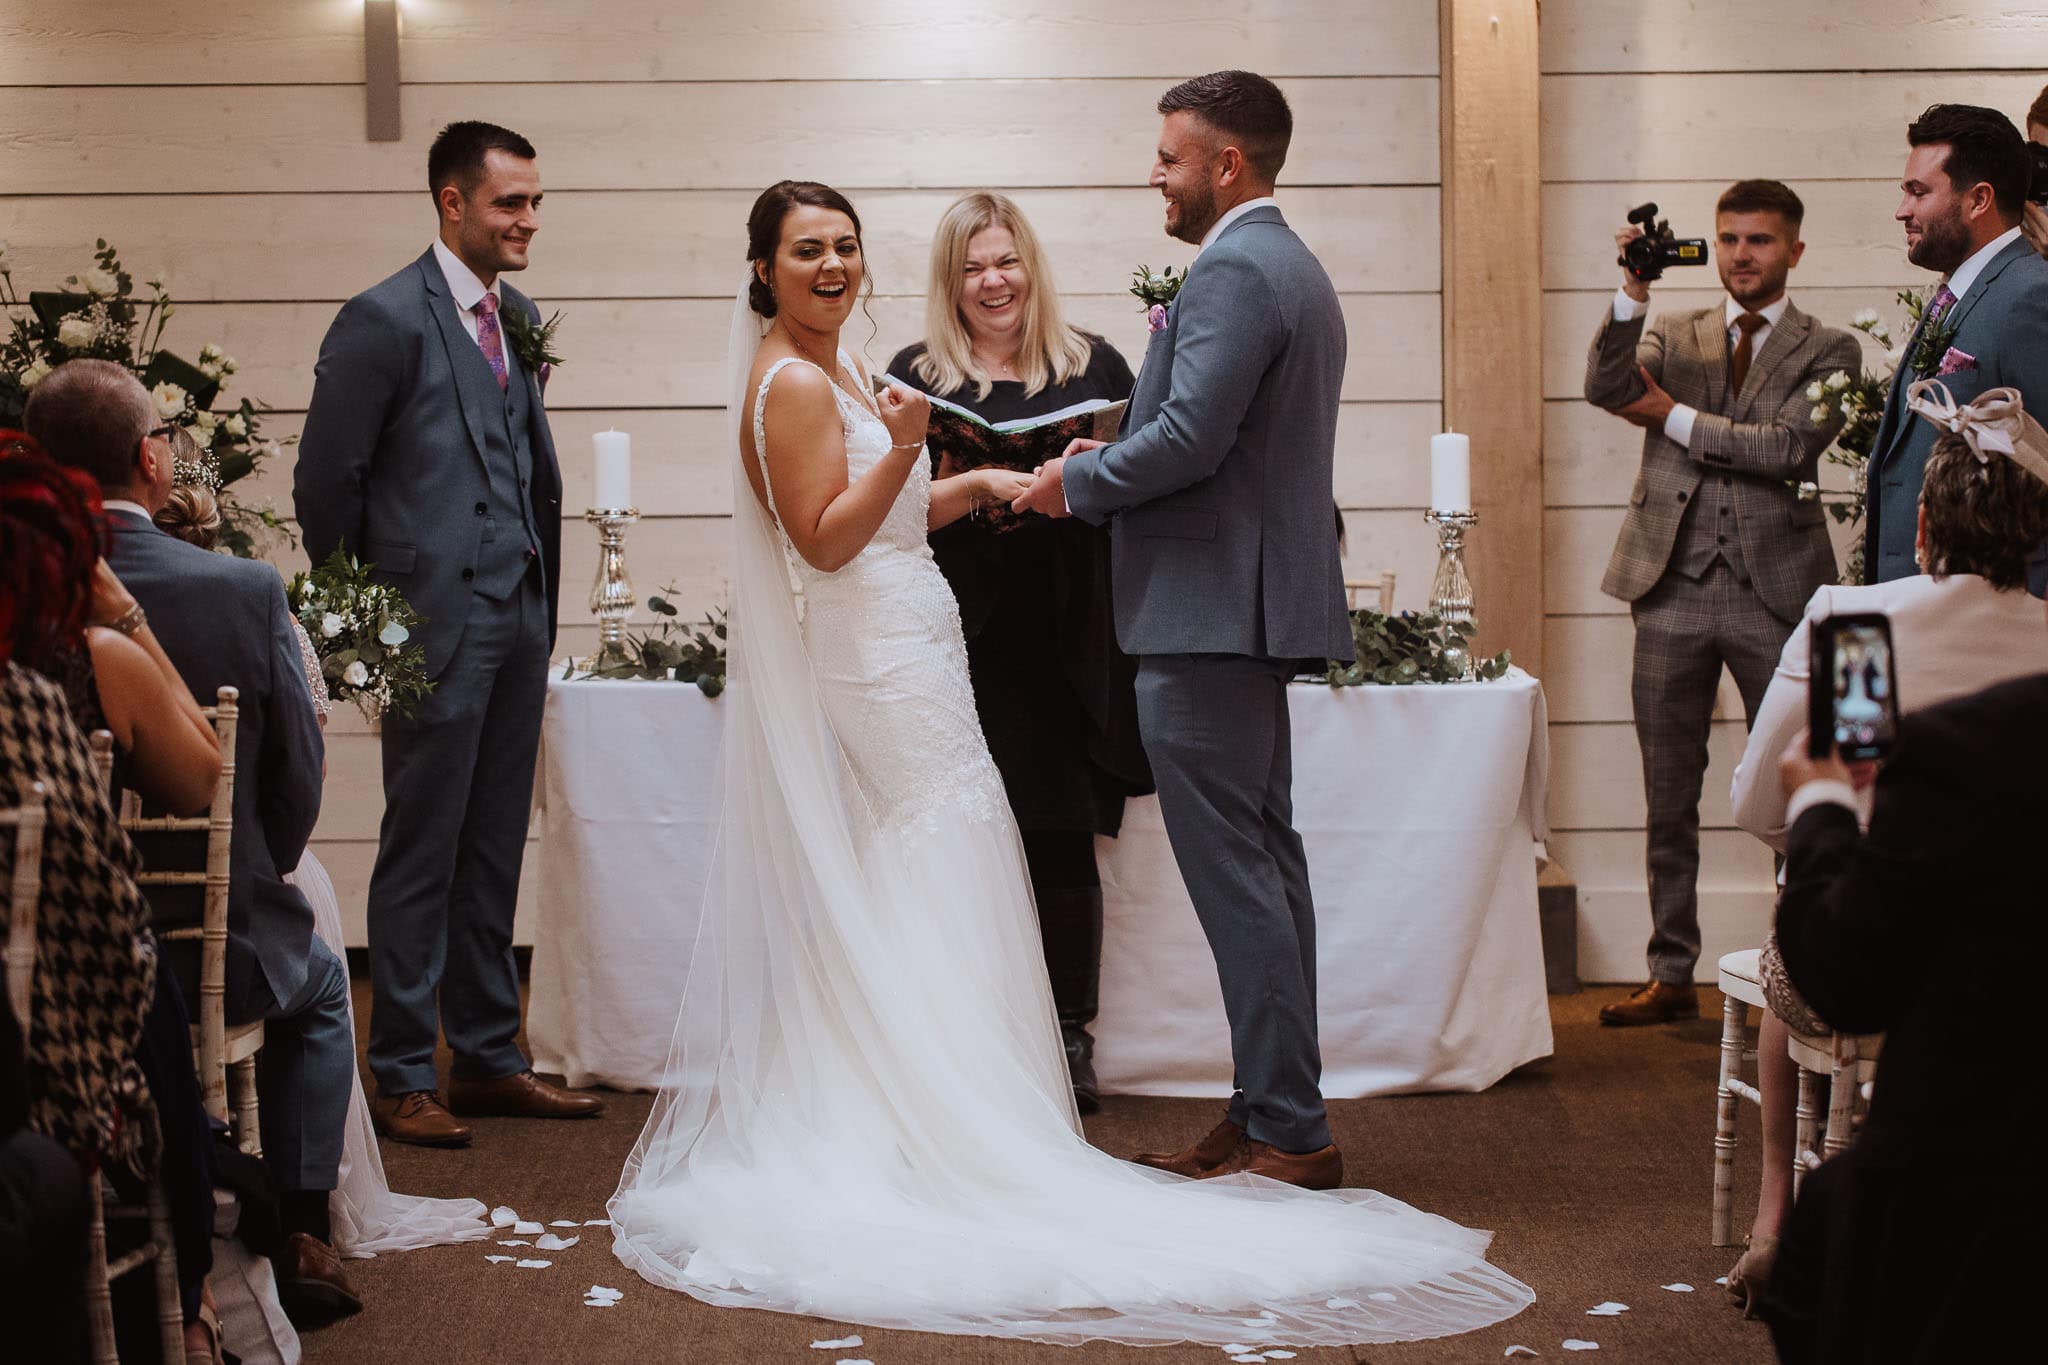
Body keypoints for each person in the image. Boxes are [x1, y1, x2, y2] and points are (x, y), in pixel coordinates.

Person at [608, 176, 1531, 1348]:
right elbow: (826, 540)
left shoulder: (842, 367)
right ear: (762, 271)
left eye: (844, 246)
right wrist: (903, 453)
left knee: (944, 854)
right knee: (933, 850)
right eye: (806, 252)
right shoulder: (794, 382)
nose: (833, 266)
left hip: (917, 640)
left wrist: (975, 480)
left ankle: (941, 1104)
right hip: (877, 654)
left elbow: (885, 516)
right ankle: (932, 1125)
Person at [1015, 70, 1356, 1185]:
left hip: (1209, 618)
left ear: (1225, 165)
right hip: (1242, 610)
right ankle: (1271, 1108)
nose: (1151, 174)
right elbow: (1219, 434)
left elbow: (1191, 445)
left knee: (1240, 878)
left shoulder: (1237, 270)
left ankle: (1288, 1131)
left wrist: (1081, 484)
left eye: (1168, 157)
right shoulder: (1284, 263)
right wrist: (1103, 448)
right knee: (1266, 865)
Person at [23, 362, 361, 1325]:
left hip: (47, 960)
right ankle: (299, 1226)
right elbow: (292, 785)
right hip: (208, 946)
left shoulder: (22, 587)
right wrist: (262, 864)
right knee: (328, 983)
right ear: (151, 459)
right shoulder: (244, 588)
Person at [297, 119, 600, 1147]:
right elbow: (324, 486)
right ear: (452, 203)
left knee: (492, 839)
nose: (527, 220)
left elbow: (519, 462)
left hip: (514, 616)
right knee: (421, 843)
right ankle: (399, 1070)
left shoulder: (510, 316)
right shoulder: (380, 320)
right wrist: (364, 640)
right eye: (510, 201)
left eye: (535, 202)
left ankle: (486, 1056)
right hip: (423, 626)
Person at [1722, 381, 2048, 1311]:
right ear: (2033, 531)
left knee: (1805, 891)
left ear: (1923, 528)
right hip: (2023, 968)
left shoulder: (1863, 627)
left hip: (1874, 957)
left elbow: (1762, 805)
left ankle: (1778, 1216)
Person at [886, 191, 1151, 1113]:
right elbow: (878, 508)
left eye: (1006, 262)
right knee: (951, 832)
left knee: (1057, 830)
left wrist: (1076, 475)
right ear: (949, 283)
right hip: (954, 628)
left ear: (1030, 267)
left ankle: (1070, 1035)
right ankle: (960, 1032)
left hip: (1062, 625)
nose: (992, 281)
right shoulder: (913, 376)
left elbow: (1140, 485)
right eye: (971, 267)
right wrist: (972, 483)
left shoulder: (1094, 364)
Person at [1578, 179, 1860, 1027]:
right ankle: (1671, 971)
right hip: (1669, 585)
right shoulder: (1673, 328)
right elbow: (1604, 385)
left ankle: (1797, 965)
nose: (1742, 255)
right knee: (1668, 788)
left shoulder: (1832, 349)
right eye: (1730, 239)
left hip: (1779, 591)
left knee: (1796, 782)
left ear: (1794, 251)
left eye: (1761, 241)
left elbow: (1784, 448)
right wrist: (1632, 291)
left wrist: (1670, 416)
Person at [1866, 103, 2048, 590]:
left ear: (1979, 199)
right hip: (1925, 605)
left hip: (1989, 620)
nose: (1902, 210)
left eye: (1918, 192)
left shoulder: (2032, 295)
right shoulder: (1958, 291)